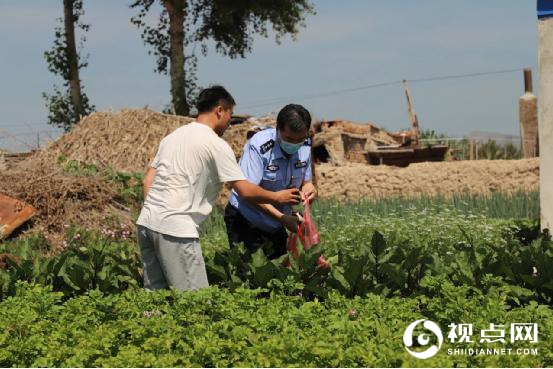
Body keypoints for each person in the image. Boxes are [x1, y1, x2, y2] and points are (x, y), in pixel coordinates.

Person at [136, 86, 301, 292]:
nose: (229, 124)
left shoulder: (172, 138)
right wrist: (278, 195)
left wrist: (156, 213)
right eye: (230, 116)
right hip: (176, 228)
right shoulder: (215, 144)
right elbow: (244, 190)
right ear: (220, 110)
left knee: (155, 296)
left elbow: (147, 181)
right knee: (195, 302)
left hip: (146, 223)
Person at [224, 104, 317, 259]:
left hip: (277, 222)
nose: (294, 144)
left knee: (278, 272)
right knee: (249, 275)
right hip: (247, 217)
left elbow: (307, 182)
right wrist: (282, 216)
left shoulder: (306, 146)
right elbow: (249, 193)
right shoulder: (259, 146)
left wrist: (309, 190)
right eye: (289, 139)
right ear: (277, 130)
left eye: (299, 139)